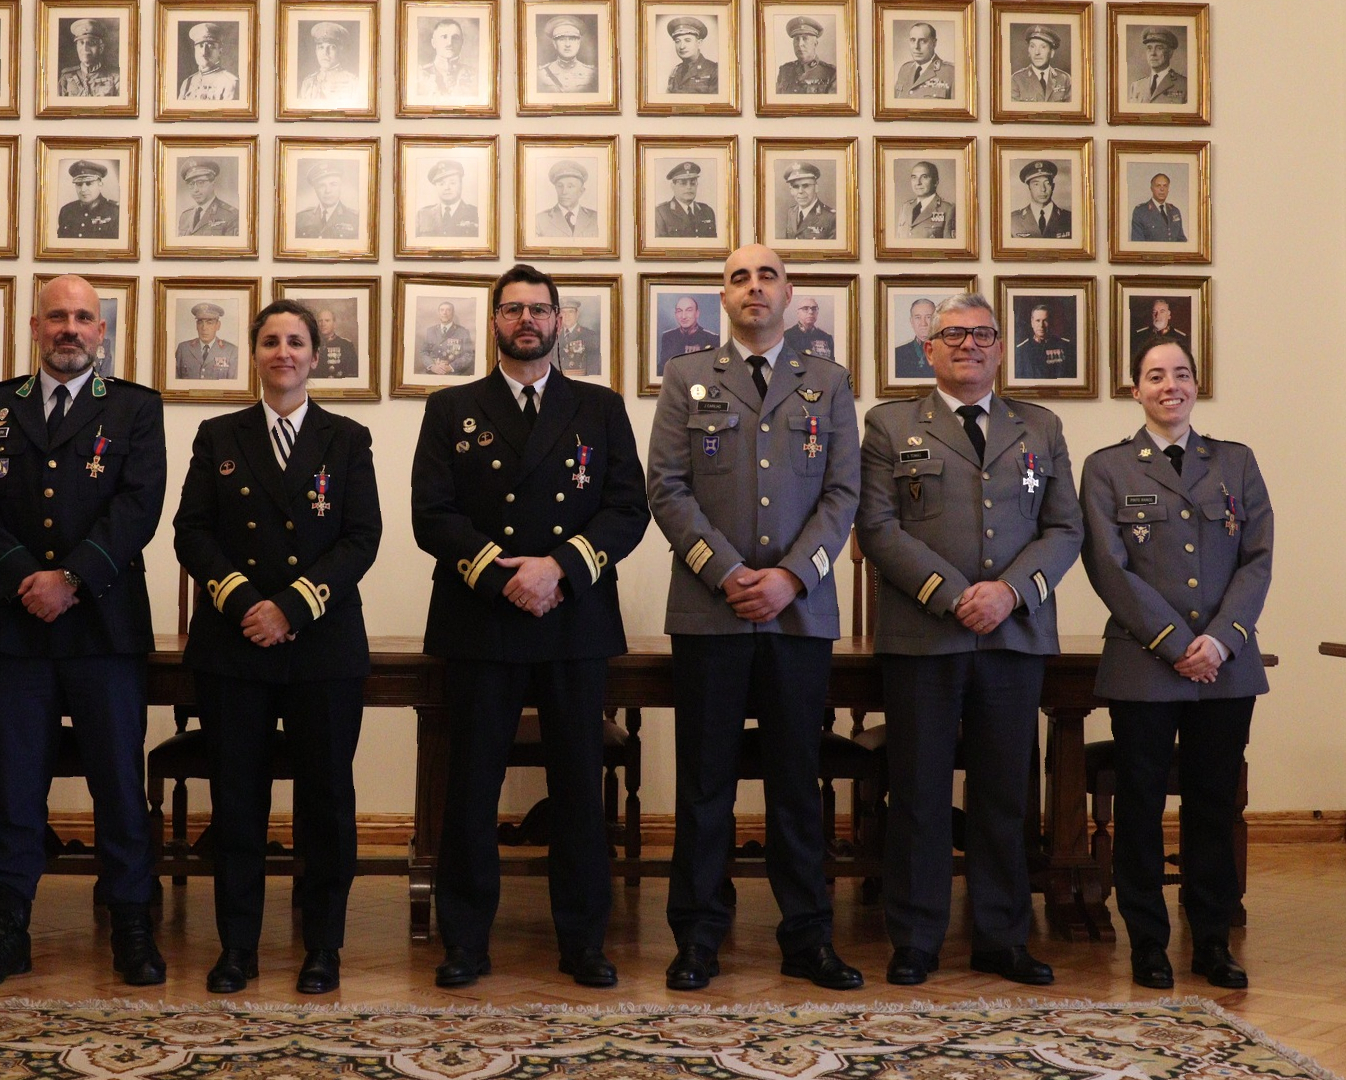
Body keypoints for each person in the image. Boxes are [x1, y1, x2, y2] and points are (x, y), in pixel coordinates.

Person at [412, 263, 649, 989]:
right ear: (494, 322)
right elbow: (432, 514)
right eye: (512, 309)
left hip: (573, 618)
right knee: (470, 788)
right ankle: (464, 941)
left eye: (539, 310)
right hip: (480, 617)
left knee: (577, 788)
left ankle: (584, 942)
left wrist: (559, 569)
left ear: (558, 321)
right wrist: (504, 575)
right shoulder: (451, 407)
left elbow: (626, 508)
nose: (526, 321)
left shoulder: (600, 407)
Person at [646, 245, 863, 992]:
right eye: (739, 277)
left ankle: (808, 939)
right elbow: (667, 487)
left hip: (799, 615)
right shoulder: (686, 376)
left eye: (767, 275)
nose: (754, 287)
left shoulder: (828, 381)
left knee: (796, 785)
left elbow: (842, 493)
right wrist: (728, 572)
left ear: (788, 292)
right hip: (711, 612)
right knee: (704, 784)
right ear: (723, 297)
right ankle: (698, 937)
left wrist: (791, 577)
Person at [856, 292, 1082, 988]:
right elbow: (877, 527)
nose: (970, 345)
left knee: (1004, 794)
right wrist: (954, 595)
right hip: (925, 635)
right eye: (954, 334)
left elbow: (1064, 528)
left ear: (1000, 348)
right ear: (929, 349)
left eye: (983, 334)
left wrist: (1009, 592)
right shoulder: (890, 424)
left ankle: (1002, 938)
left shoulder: (1040, 426)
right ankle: (916, 939)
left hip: (1013, 636)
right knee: (919, 792)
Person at [0, 274, 168, 987]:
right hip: (17, 628)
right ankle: (7, 929)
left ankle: (132, 926)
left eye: (82, 318)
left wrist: (70, 578)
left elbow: (139, 506)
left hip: (105, 628)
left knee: (119, 786)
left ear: (101, 331)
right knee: (16, 788)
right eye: (56, 317)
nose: (69, 329)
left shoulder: (135, 408)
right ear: (35, 328)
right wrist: (29, 580)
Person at [173, 299, 382, 996]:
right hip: (235, 647)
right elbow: (191, 531)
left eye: (296, 341)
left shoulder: (347, 438)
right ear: (255, 354)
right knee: (238, 802)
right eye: (270, 341)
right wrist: (245, 605)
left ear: (315, 356)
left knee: (327, 803)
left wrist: (291, 608)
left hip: (323, 647)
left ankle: (323, 947)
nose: (283, 352)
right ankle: (238, 947)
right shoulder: (218, 435)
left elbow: (362, 537)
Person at [1079, 339, 1270, 993]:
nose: (1171, 386)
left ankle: (1212, 941)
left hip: (1226, 666)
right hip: (1144, 664)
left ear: (1196, 384)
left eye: (1181, 374)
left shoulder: (1236, 462)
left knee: (1213, 806)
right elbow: (1109, 567)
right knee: (1140, 806)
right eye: (1155, 376)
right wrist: (1173, 641)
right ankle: (1148, 944)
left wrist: (1220, 640)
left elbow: (1258, 558)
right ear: (1135, 389)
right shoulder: (1107, 468)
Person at [294, 162, 362, 240]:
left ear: (340, 186)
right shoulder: (300, 219)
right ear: (315, 189)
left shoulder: (356, 219)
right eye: (321, 185)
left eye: (333, 184)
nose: (328, 191)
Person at [56, 160, 121, 240]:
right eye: (79, 184)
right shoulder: (66, 211)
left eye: (89, 183)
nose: (83, 189)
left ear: (100, 185)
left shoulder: (116, 211)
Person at [414, 160, 481, 237]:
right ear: (436, 187)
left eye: (452, 183)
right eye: (441, 184)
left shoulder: (476, 213)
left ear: (461, 184)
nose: (447, 188)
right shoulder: (423, 215)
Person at [1010, 160, 1073, 239]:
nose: (1043, 189)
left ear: (1053, 186)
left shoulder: (1069, 218)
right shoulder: (1013, 221)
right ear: (1029, 188)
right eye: (1036, 184)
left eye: (1047, 183)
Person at [534, 160, 598, 238]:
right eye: (560, 186)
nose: (564, 192)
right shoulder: (540, 220)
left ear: (581, 191)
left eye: (570, 186)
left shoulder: (596, 219)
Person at [175, 303, 240, 380]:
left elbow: (233, 385)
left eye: (209, 323)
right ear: (196, 325)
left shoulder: (231, 351)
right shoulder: (183, 349)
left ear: (218, 325)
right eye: (200, 322)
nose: (204, 328)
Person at [299, 21, 362, 100]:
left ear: (340, 50)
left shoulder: (352, 82)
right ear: (316, 51)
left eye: (332, 47)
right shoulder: (308, 83)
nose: (325, 53)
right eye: (321, 47)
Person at [58, 18, 121, 97]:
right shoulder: (66, 77)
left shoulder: (116, 77)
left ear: (101, 48)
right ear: (77, 47)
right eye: (81, 43)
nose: (85, 48)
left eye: (91, 43)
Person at [657, 296, 719, 375]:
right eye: (679, 311)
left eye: (689, 310)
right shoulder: (668, 337)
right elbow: (662, 370)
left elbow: (715, 372)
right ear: (675, 314)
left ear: (697, 313)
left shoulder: (712, 338)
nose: (683, 316)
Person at [654, 161, 717, 239]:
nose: (689, 187)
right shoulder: (661, 213)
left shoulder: (707, 211)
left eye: (693, 183)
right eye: (683, 183)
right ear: (673, 186)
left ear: (697, 185)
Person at [1013, 303, 1077, 380]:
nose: (1041, 325)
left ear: (1050, 322)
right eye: (1038, 320)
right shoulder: (1021, 350)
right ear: (1032, 323)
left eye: (1045, 321)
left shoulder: (1066, 346)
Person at [416, 18, 477, 97]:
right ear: (434, 43)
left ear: (461, 43)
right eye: (444, 37)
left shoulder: (475, 76)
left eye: (455, 38)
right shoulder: (419, 75)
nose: (449, 43)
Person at [1010, 24, 1072, 102]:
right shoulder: (1016, 80)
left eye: (1043, 47)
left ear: (1052, 53)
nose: (1037, 52)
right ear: (1029, 51)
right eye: (1033, 46)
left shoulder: (1064, 79)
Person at [177, 160, 239, 237]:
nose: (195, 190)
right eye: (191, 184)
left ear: (213, 184)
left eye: (201, 182)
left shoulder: (231, 215)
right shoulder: (185, 216)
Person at [776, 17, 837, 94]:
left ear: (815, 44)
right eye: (797, 39)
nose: (800, 44)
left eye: (805, 38)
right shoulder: (784, 71)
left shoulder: (831, 74)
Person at [179, 22, 240, 100]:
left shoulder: (230, 83)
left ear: (220, 52)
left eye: (211, 47)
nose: (204, 52)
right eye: (200, 46)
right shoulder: (187, 83)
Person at [896, 161, 956, 239]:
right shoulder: (905, 207)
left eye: (924, 177)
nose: (918, 183)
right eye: (914, 177)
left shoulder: (948, 209)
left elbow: (949, 245)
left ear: (936, 182)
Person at [536, 16, 596, 93]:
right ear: (554, 43)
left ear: (579, 43)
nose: (567, 44)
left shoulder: (592, 74)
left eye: (572, 39)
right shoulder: (540, 74)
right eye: (562, 39)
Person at [894, 22, 955, 98]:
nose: (916, 46)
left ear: (934, 43)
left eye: (923, 41)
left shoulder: (951, 73)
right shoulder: (904, 70)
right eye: (913, 40)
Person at [778, 162, 836, 241]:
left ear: (816, 188)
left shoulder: (831, 218)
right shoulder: (791, 212)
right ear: (791, 190)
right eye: (795, 186)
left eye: (805, 185)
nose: (800, 191)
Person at [1131, 26, 1187, 104]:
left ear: (1170, 52)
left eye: (1159, 48)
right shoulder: (1136, 86)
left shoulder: (1185, 85)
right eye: (1149, 48)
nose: (1153, 53)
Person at [664, 16, 719, 94]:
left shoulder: (714, 70)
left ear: (699, 43)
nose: (682, 46)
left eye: (687, 40)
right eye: (677, 41)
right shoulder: (675, 71)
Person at [419, 301, 475, 376]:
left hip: (454, 373)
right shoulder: (430, 331)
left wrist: (451, 367)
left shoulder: (463, 332)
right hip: (432, 372)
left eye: (448, 310)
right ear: (438, 313)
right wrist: (432, 366)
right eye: (442, 310)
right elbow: (423, 352)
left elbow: (468, 355)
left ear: (453, 313)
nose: (444, 313)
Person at [1131, 299, 1190, 368]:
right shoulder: (1139, 336)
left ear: (1169, 315)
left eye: (1162, 311)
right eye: (1154, 312)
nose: (1157, 315)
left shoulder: (1181, 338)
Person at [1130, 173, 1187, 242]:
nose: (1162, 189)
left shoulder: (1175, 211)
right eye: (1158, 186)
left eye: (1165, 186)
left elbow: (1181, 240)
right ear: (1152, 189)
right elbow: (1137, 243)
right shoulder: (1141, 212)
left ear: (1168, 189)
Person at [555, 299, 601, 375]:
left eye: (571, 312)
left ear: (577, 314)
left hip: (580, 379)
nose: (567, 316)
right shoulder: (554, 336)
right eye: (563, 312)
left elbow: (593, 366)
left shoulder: (589, 335)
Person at [782, 296, 836, 362]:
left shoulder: (826, 338)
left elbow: (832, 365)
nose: (811, 312)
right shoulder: (786, 337)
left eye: (814, 308)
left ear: (817, 312)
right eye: (805, 308)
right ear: (798, 313)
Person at [893, 298, 936, 379]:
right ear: (911, 322)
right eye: (918, 317)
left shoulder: (947, 353)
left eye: (928, 317)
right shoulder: (897, 354)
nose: (923, 323)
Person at [316, 308, 361, 379]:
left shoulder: (346, 345)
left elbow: (353, 374)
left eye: (327, 320)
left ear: (334, 324)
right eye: (320, 321)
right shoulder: (312, 344)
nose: (323, 324)